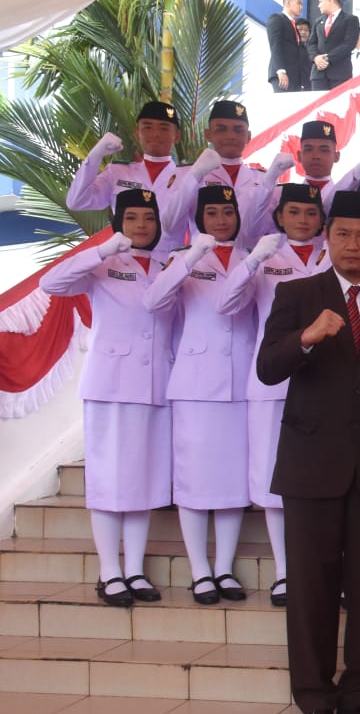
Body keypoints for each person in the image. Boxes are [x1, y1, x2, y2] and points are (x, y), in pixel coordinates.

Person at [256, 191, 360, 714]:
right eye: (343, 234)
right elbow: (266, 368)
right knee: (311, 589)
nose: (353, 245)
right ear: (327, 238)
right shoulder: (297, 294)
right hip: (310, 466)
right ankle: (316, 698)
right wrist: (306, 338)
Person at [40, 188, 175, 608]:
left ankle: (134, 569)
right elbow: (51, 282)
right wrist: (100, 250)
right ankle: (109, 571)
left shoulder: (168, 266)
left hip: (156, 386)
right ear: (118, 222)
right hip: (112, 386)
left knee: (143, 481)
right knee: (108, 481)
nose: (141, 225)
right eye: (131, 217)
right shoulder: (103, 264)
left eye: (148, 218)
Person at [218, 184, 329, 609]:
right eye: (293, 212)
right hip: (272, 382)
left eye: (310, 212)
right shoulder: (265, 257)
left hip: (324, 380)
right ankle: (285, 573)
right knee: (272, 480)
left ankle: (323, 571)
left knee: (323, 479)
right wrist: (251, 261)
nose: (303, 220)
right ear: (279, 217)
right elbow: (227, 304)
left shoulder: (331, 255)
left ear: (322, 219)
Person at [145, 185, 255, 604]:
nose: (221, 220)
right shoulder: (181, 259)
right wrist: (190, 257)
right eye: (212, 213)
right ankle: (199, 571)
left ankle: (224, 568)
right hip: (195, 383)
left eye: (228, 212)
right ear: (198, 218)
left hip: (241, 382)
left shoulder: (253, 258)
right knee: (193, 480)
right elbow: (155, 300)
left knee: (231, 482)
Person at [67, 100, 191, 254]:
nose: (155, 134)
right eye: (147, 127)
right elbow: (77, 201)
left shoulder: (190, 176)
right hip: (125, 264)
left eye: (164, 128)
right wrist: (95, 155)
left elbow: (199, 230)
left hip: (170, 264)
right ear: (137, 133)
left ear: (177, 135)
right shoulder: (117, 172)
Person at [174, 101, 293, 251]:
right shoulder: (190, 176)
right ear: (208, 134)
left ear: (248, 136)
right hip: (203, 261)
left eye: (238, 130)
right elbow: (172, 225)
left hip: (251, 261)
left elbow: (276, 231)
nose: (231, 136)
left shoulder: (265, 179)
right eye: (221, 129)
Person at [308, 0, 360, 90]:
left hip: (339, 73)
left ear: (330, 0)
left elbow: (349, 44)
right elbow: (311, 43)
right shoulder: (318, 21)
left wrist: (328, 58)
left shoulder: (350, 20)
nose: (319, 5)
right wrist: (316, 57)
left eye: (321, 2)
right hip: (318, 74)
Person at [267, 0, 307, 92]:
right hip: (282, 74)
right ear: (288, 3)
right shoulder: (277, 19)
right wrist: (281, 71)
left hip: (295, 76)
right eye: (298, 3)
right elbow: (275, 45)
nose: (301, 7)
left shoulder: (293, 24)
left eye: (302, 4)